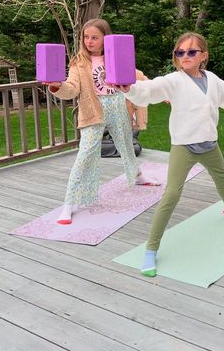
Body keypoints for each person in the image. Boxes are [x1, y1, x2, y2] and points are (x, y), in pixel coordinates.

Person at [116, 32, 224, 277]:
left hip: (209, 144)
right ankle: (151, 249)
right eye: (180, 52)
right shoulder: (174, 80)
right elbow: (151, 89)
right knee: (171, 194)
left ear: (203, 55)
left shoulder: (212, 80)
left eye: (191, 52)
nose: (185, 56)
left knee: (222, 178)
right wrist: (129, 88)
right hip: (184, 146)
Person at [44, 18, 160, 224]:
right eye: (86, 37)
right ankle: (68, 203)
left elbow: (137, 76)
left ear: (106, 38)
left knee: (125, 142)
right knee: (85, 154)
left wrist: (161, 91)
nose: (89, 41)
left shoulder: (115, 55)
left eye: (94, 37)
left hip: (118, 104)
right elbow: (71, 88)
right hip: (93, 108)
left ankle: (138, 175)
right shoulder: (79, 62)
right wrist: (56, 85)